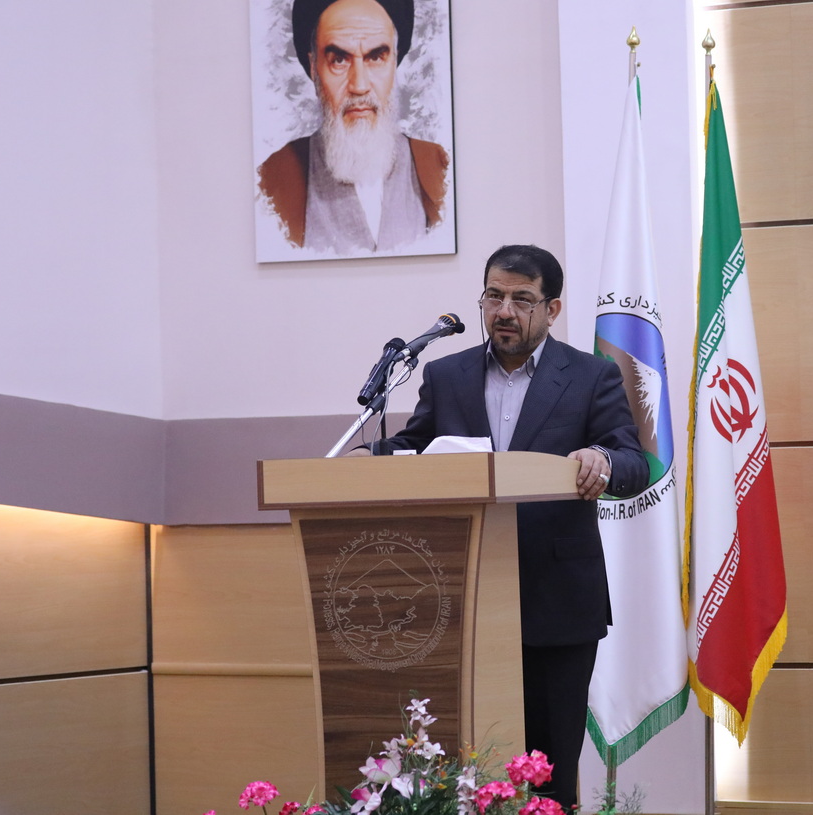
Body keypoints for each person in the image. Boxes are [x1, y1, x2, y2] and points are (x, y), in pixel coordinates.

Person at [348, 245, 649, 808]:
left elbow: (634, 464)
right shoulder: (446, 375)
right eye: (493, 296)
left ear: (552, 309)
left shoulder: (591, 376)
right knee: (464, 762)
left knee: (549, 767)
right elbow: (417, 448)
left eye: (521, 299)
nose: (504, 311)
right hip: (462, 599)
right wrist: (373, 458)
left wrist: (603, 460)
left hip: (557, 602)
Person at [258, 0, 449, 253]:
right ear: (314, 68)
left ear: (394, 62)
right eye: (339, 60)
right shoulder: (272, 179)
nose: (359, 85)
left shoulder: (439, 166)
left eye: (376, 57)